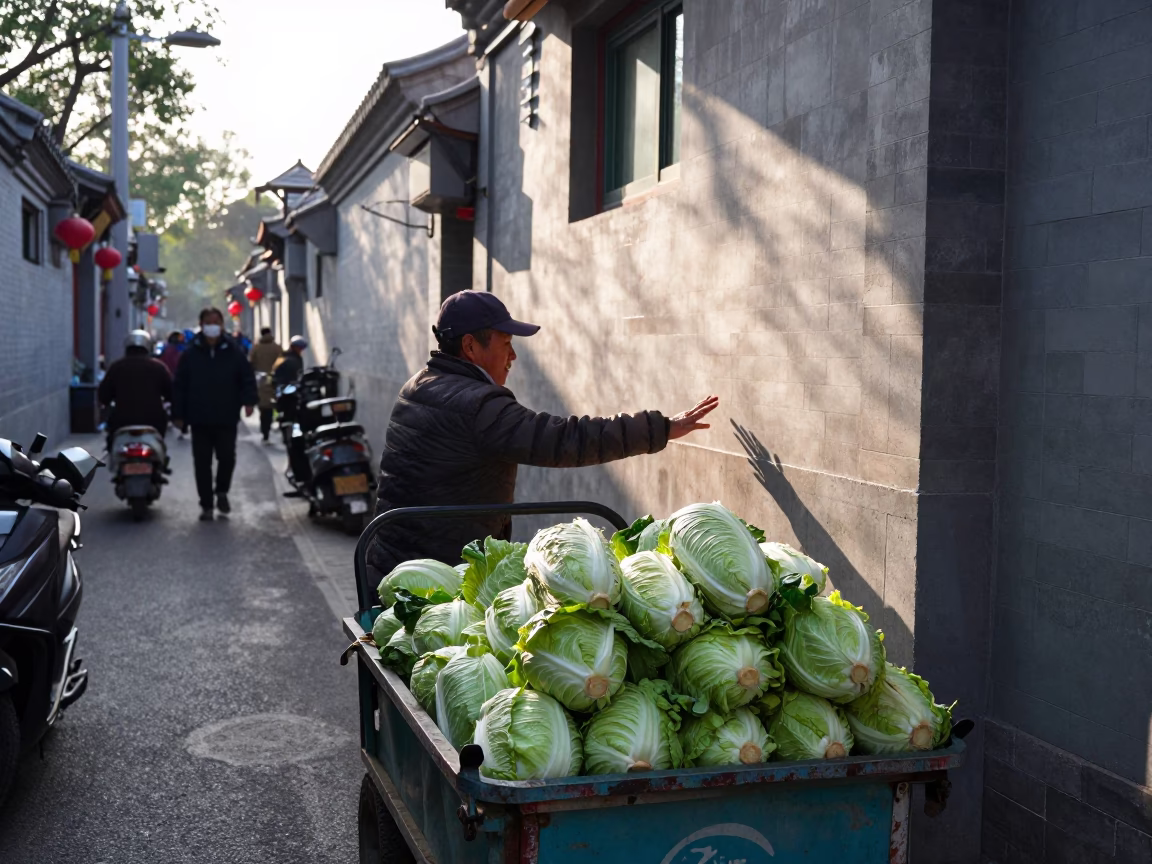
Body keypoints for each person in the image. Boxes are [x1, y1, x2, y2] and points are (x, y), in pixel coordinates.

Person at [366, 290, 719, 585]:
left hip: (397, 561)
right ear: (471, 346)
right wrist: (659, 428)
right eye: (506, 342)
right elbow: (561, 439)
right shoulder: (476, 404)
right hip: (438, 573)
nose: (513, 355)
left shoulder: (419, 385)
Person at [172, 307, 258, 521]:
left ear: (221, 325)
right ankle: (206, 504)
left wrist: (249, 401)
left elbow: (246, 377)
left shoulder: (233, 351)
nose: (212, 326)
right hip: (199, 418)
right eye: (208, 322)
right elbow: (180, 385)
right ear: (201, 325)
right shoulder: (190, 353)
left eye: (216, 322)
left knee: (227, 458)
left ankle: (222, 491)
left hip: (226, 415)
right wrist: (178, 414)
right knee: (202, 463)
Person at [98, 330, 173, 451]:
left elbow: (104, 395)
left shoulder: (116, 367)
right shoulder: (159, 368)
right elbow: (170, 393)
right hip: (153, 421)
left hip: (121, 421)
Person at [249, 327, 282, 443]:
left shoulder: (256, 348)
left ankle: (265, 431)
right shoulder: (277, 348)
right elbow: (282, 363)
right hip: (275, 380)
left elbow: (250, 363)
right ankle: (275, 424)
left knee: (264, 407)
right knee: (275, 405)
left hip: (261, 380)